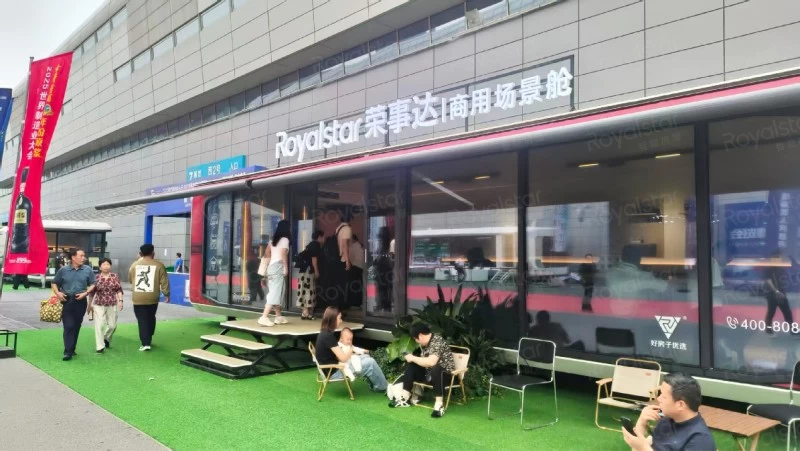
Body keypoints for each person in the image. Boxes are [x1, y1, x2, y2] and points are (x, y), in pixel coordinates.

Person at [622, 373, 716, 451]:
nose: (658, 399)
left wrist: (643, 448)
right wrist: (641, 423)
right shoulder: (665, 421)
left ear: (680, 404)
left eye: (663, 396)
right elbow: (642, 446)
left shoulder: (700, 440)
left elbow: (644, 448)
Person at [389, 323, 455, 418]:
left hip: (445, 376)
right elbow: (424, 362)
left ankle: (439, 404)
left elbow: (431, 362)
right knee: (412, 365)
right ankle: (405, 396)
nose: (416, 342)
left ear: (420, 335)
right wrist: (412, 359)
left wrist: (412, 358)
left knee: (436, 368)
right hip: (429, 374)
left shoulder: (437, 341)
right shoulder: (426, 344)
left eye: (415, 339)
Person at [314, 307, 387, 391]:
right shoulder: (328, 336)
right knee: (370, 362)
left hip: (335, 367)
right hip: (335, 372)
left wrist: (353, 353)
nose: (341, 321)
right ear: (333, 319)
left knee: (366, 357)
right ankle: (383, 387)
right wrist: (351, 349)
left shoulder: (324, 333)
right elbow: (343, 358)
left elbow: (339, 356)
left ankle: (375, 384)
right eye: (339, 318)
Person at [52, 248, 96, 361]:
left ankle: (72, 348)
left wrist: (86, 293)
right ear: (73, 257)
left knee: (76, 326)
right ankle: (67, 352)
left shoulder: (87, 270)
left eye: (84, 256)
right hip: (66, 300)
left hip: (80, 301)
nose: (83, 258)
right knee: (68, 326)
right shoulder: (63, 270)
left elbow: (93, 284)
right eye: (81, 256)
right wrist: (57, 293)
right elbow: (54, 283)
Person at [129, 244, 170, 351]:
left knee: (142, 319)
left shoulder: (134, 265)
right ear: (153, 253)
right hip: (153, 297)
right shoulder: (159, 265)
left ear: (141, 253)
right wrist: (166, 294)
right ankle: (149, 336)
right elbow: (164, 281)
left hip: (138, 297)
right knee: (151, 317)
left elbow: (130, 279)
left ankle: (145, 343)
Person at [257, 220, 291, 327]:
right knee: (275, 292)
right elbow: (283, 254)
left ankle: (278, 316)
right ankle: (264, 317)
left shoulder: (272, 240)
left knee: (276, 291)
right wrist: (285, 268)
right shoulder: (285, 239)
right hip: (278, 267)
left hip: (271, 267)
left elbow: (267, 253)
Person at [88, 258, 123, 353]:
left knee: (112, 326)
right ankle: (100, 347)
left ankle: (106, 337)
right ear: (100, 267)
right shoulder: (96, 278)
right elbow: (91, 293)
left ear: (110, 266)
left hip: (112, 304)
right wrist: (89, 305)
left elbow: (119, 289)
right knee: (99, 325)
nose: (106, 266)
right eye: (104, 264)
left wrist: (120, 301)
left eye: (108, 264)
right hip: (99, 304)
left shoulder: (114, 276)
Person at [764, 250, 793, 335]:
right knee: (771, 312)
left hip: (781, 294)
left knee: (787, 312)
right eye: (776, 258)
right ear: (772, 259)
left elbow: (783, 281)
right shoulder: (769, 269)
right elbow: (769, 281)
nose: (778, 259)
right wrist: (776, 291)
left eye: (779, 258)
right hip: (772, 295)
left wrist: (783, 292)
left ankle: (793, 329)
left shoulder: (781, 268)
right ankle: (768, 329)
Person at [297, 230, 324, 320]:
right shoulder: (315, 245)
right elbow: (314, 259)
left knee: (304, 290)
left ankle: (306, 312)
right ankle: (306, 312)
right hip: (308, 271)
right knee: (308, 290)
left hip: (303, 271)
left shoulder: (310, 245)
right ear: (319, 237)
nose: (324, 239)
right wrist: (316, 271)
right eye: (323, 237)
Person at [348, 234, 365, 308]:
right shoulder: (361, 246)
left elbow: (350, 258)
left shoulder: (352, 247)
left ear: (353, 239)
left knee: (354, 286)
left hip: (354, 267)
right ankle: (360, 302)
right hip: (361, 268)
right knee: (359, 285)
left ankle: (355, 303)